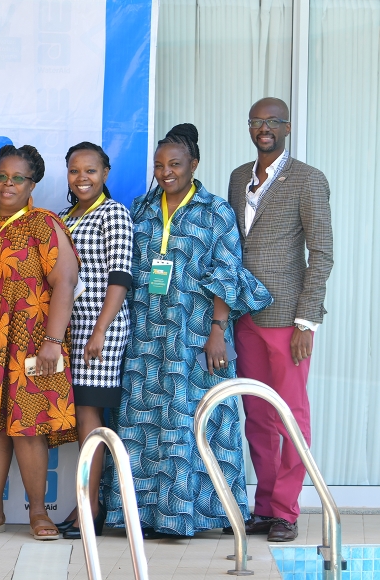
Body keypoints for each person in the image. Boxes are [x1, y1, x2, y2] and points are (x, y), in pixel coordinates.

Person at [105, 123, 272, 539]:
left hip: (197, 331)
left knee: (197, 417)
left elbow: (227, 273)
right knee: (146, 423)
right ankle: (145, 514)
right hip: (147, 334)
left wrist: (218, 329)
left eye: (175, 164)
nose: (166, 172)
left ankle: (195, 514)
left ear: (194, 164)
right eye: (160, 165)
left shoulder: (215, 211)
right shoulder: (141, 209)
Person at [0, 144, 79, 542]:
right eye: (1, 178)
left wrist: (52, 341)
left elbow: (65, 283)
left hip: (33, 342)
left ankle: (39, 514)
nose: (7, 185)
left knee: (28, 429)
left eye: (17, 179)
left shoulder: (44, 224)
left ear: (33, 184)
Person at [227, 98, 333, 543]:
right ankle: (265, 506)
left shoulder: (308, 179)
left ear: (287, 127)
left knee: (290, 415)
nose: (264, 128)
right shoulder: (237, 178)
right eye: (256, 121)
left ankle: (287, 510)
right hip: (244, 315)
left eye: (272, 121)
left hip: (287, 318)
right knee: (256, 414)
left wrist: (307, 320)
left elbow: (322, 253)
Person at [53, 142, 134, 541]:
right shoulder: (66, 217)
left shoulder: (113, 213)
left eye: (90, 170)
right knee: (81, 418)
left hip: (100, 330)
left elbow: (119, 277)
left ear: (105, 172)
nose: (81, 178)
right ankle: (85, 503)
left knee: (90, 417)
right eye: (74, 171)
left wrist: (101, 329)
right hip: (69, 330)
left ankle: (89, 507)